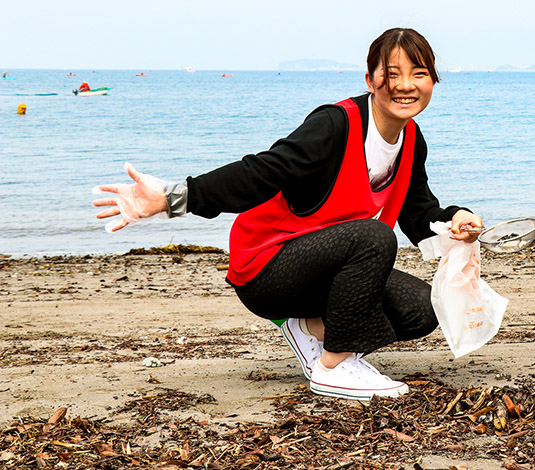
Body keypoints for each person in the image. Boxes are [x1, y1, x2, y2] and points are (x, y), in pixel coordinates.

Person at [93, 28, 483, 401]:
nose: (404, 85)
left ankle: (309, 327)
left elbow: (419, 214)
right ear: (370, 79)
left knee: (422, 309)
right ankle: (333, 367)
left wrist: (455, 220)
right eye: (391, 74)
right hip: (268, 267)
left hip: (325, 270)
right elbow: (260, 173)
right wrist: (171, 198)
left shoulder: (412, 141)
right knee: (373, 236)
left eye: (419, 73)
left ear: (433, 81)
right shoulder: (334, 125)